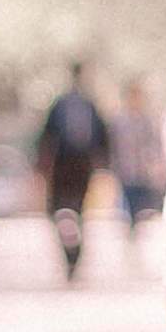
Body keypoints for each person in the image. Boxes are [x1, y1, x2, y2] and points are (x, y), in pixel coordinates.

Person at [33, 64, 109, 282]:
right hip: (62, 165)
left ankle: (74, 257)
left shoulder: (90, 106)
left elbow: (102, 139)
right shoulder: (59, 105)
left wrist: (102, 164)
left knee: (78, 212)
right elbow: (47, 137)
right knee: (58, 211)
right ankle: (69, 255)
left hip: (81, 166)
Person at [109, 78, 166, 240]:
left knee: (143, 207)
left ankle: (138, 234)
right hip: (126, 170)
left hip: (143, 171)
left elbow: (155, 144)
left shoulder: (147, 121)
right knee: (128, 204)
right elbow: (113, 146)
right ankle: (131, 232)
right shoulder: (119, 121)